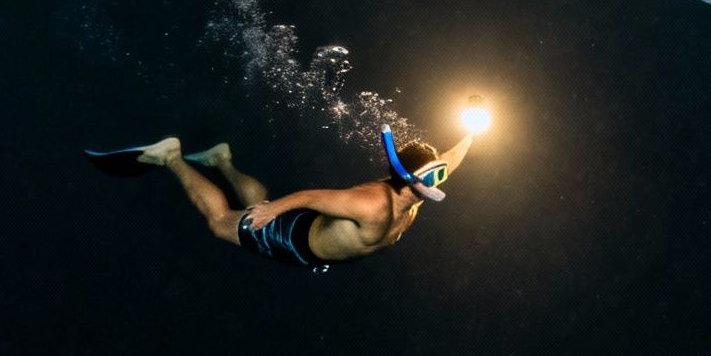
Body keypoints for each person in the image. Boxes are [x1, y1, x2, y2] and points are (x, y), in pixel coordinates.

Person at [127, 129, 474, 272]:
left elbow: (451, 159)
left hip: (311, 243)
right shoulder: (372, 204)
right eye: (432, 177)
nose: (438, 182)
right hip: (292, 239)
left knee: (259, 202)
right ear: (409, 178)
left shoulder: (414, 199)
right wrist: (272, 212)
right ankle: (170, 156)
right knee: (220, 223)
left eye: (440, 175)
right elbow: (312, 196)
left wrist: (473, 132)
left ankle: (222, 160)